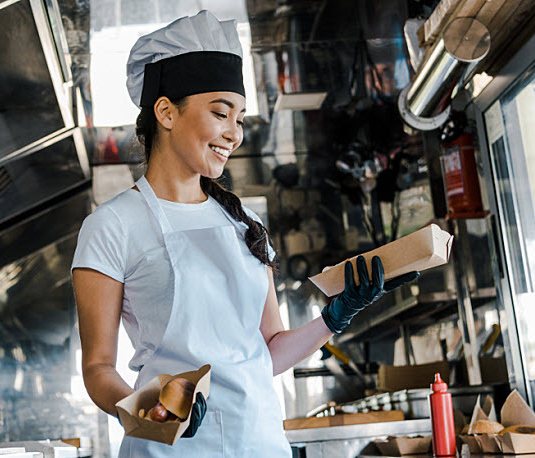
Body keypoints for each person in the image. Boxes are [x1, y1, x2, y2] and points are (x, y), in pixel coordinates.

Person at [71, 10, 419, 457]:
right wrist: (146, 410)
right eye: (221, 113)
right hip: (169, 450)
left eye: (239, 118)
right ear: (165, 112)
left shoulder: (243, 225)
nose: (234, 134)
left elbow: (266, 354)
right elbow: (98, 367)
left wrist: (334, 317)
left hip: (259, 444)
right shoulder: (111, 226)